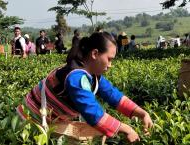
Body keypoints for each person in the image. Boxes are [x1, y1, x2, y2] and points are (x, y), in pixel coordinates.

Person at [17, 32, 153, 143]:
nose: (110, 65)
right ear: (94, 54)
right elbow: (93, 113)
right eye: (109, 59)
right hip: (28, 122)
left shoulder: (93, 75)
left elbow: (114, 96)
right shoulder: (76, 78)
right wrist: (126, 129)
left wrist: (142, 114)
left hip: (48, 122)